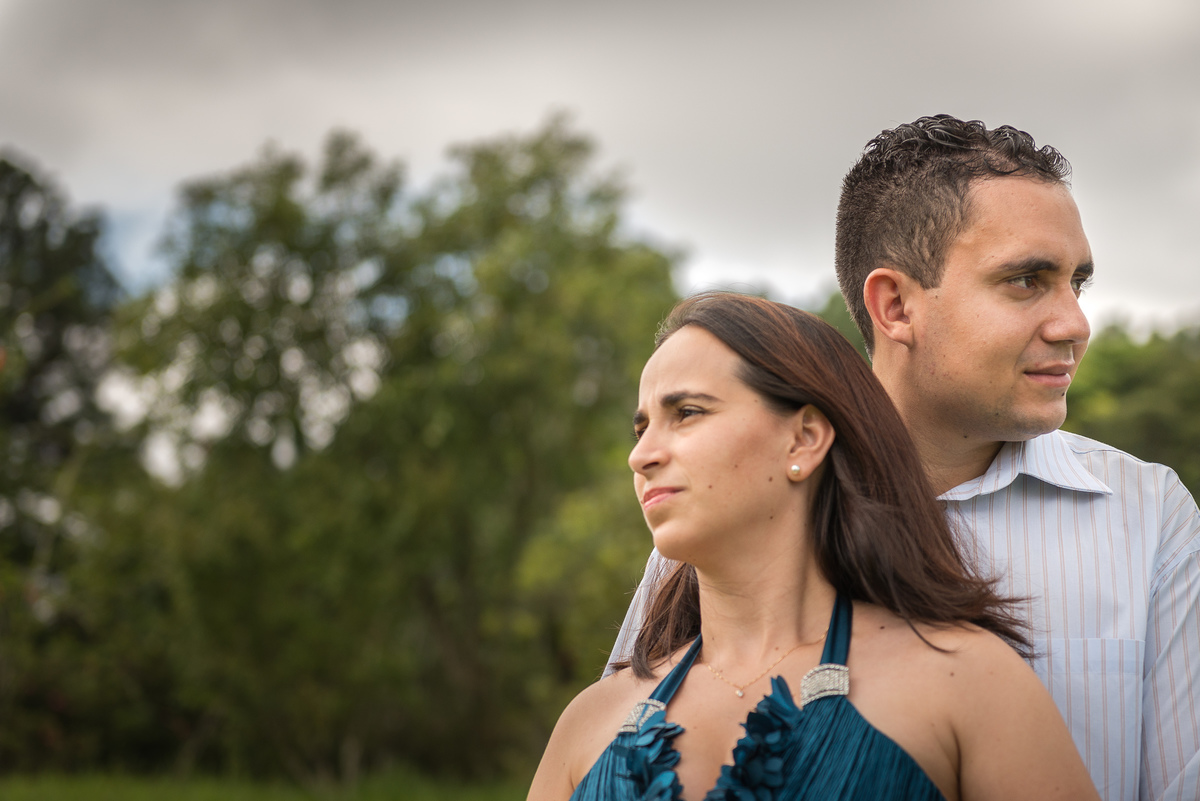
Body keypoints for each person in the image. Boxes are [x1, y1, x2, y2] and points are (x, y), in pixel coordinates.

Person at [608, 116, 1200, 801]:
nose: (1075, 324)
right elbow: (626, 752)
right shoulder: (735, 509)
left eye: (1077, 284)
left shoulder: (1148, 515)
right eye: (1025, 280)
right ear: (894, 306)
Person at [530, 292, 1099, 800]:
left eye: (687, 413)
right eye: (641, 428)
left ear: (804, 438)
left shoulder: (967, 682)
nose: (642, 456)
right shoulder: (590, 722)